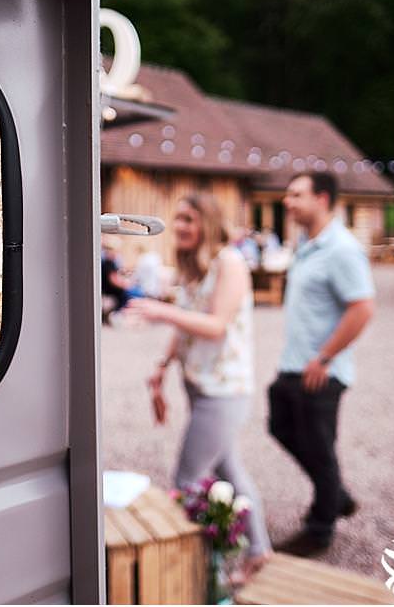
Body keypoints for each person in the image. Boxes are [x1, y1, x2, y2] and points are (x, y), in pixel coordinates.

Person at [126, 194, 273, 573]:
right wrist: (161, 367)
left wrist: (161, 310)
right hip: (198, 384)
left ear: (207, 223)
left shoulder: (230, 262)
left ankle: (205, 570)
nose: (179, 227)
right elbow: (186, 323)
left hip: (224, 391)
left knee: (187, 481)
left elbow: (215, 326)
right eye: (177, 220)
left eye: (188, 219)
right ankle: (257, 551)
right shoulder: (195, 268)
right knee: (229, 471)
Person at [269, 171, 375, 557]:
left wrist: (325, 357)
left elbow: (362, 308)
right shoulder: (305, 242)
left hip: (321, 372)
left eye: (296, 194)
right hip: (293, 365)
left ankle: (319, 528)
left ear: (323, 199)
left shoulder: (341, 249)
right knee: (279, 424)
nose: (287, 201)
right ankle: (338, 495)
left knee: (320, 447)